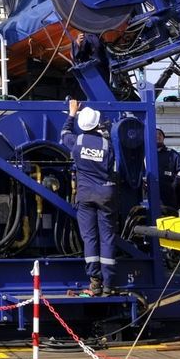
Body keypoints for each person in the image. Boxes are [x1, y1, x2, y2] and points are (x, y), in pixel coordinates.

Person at [62, 105, 119, 297]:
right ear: (97, 124)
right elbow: (112, 164)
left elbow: (64, 133)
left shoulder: (76, 141)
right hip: (105, 194)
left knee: (90, 237)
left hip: (86, 195)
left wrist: (71, 114)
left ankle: (95, 281)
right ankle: (109, 283)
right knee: (107, 237)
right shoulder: (106, 144)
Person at [155, 129, 180, 216]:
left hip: (168, 198)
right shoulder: (144, 154)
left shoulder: (172, 154)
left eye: (160, 134)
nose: (158, 136)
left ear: (163, 138)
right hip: (149, 196)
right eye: (155, 134)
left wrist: (174, 185)